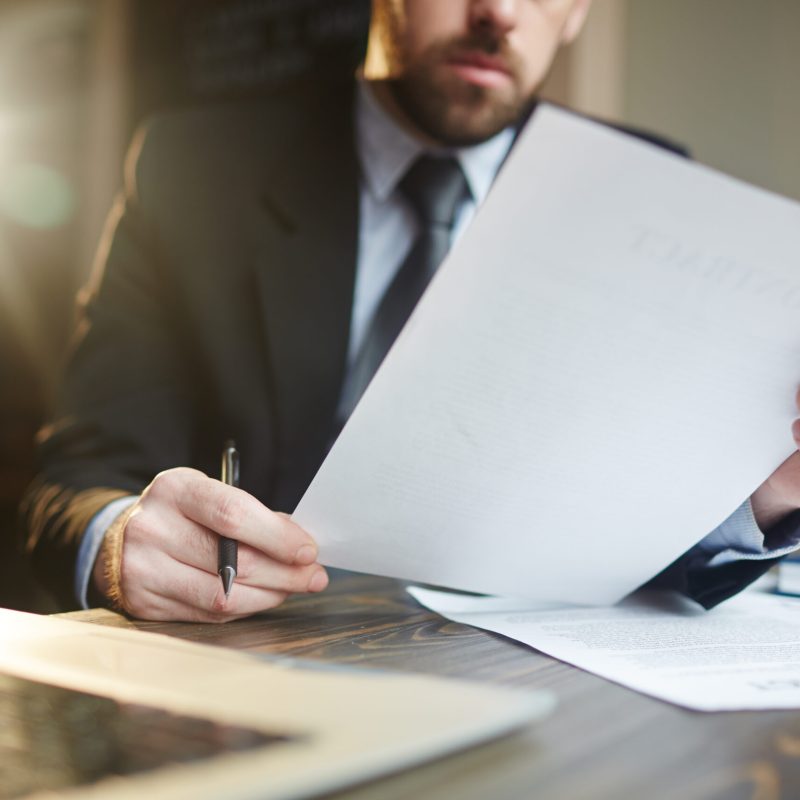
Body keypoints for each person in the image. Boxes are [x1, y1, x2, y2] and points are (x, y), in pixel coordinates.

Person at [23, 0, 800, 621]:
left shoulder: (652, 192)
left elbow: (637, 524)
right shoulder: (193, 167)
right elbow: (76, 478)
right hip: (251, 654)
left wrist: (759, 494)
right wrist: (119, 541)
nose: (497, 10)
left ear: (579, 13)